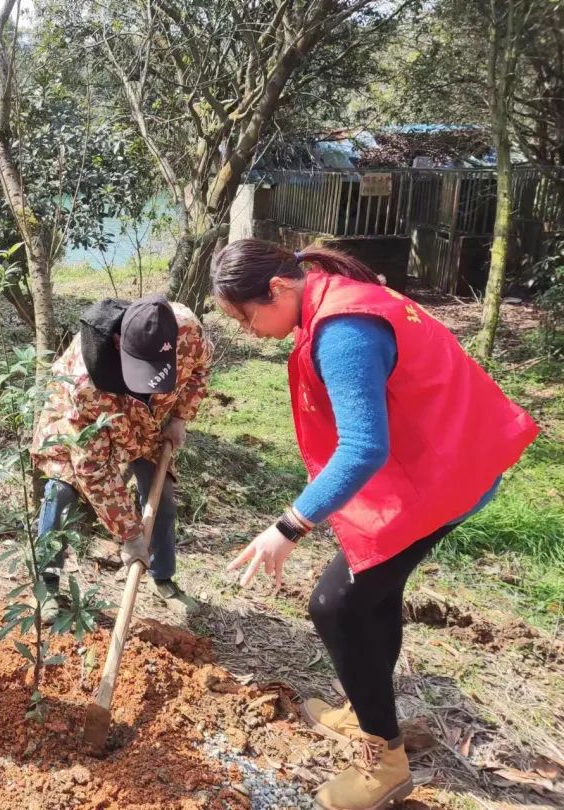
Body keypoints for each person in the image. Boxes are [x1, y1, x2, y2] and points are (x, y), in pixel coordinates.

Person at [214, 239, 538, 810]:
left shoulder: (343, 331)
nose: (246, 331)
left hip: (443, 478)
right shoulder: (338, 299)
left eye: (245, 317)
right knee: (372, 593)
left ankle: (385, 764)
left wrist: (287, 527)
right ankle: (370, 712)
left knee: (334, 605)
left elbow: (363, 447)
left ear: (278, 289)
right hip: (441, 460)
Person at [30, 294, 211, 622]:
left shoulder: (186, 328)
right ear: (118, 343)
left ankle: (163, 578)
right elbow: (94, 469)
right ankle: (47, 584)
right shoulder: (85, 383)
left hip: (150, 420)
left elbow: (199, 371)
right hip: (77, 418)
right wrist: (129, 535)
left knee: (163, 497)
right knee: (61, 491)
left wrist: (181, 416)